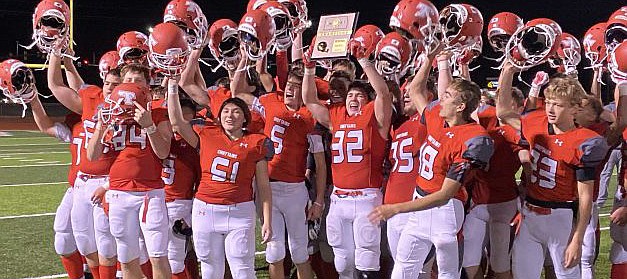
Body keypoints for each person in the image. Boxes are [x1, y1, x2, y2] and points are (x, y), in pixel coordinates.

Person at [370, 78, 494, 279]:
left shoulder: (474, 138)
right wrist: (430, 57)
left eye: (447, 96)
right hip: (419, 206)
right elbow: (416, 90)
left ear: (461, 106)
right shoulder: (437, 116)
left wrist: (397, 208)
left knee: (447, 274)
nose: (441, 100)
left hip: (445, 214)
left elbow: (444, 195)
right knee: (401, 271)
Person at [497, 62, 610, 279]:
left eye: (557, 104)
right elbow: (502, 112)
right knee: (522, 275)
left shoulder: (585, 142)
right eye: (548, 102)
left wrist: (577, 238)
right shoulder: (535, 122)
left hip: (560, 218)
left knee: (567, 276)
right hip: (530, 215)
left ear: (575, 108)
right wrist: (508, 72)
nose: (549, 108)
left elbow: (585, 198)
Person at [167, 76, 273, 279]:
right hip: (206, 210)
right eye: (225, 111)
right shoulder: (207, 134)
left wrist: (266, 220)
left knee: (242, 270)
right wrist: (172, 87)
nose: (230, 115)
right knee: (209, 269)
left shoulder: (256, 143)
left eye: (236, 111)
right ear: (219, 115)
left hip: (239, 211)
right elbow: (177, 123)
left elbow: (263, 186)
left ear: (245, 118)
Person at [302, 43, 393, 278]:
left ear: (367, 99)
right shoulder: (337, 116)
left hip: (366, 198)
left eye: (359, 95)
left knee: (367, 259)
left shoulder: (376, 118)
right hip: (339, 198)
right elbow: (310, 101)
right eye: (350, 94)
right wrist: (309, 69)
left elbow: (383, 93)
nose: (353, 98)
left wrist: (364, 61)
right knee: (342, 262)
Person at [232, 61, 327, 278]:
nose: (290, 90)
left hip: (294, 190)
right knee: (274, 251)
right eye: (289, 85)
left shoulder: (310, 116)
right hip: (267, 188)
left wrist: (319, 200)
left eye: (296, 85)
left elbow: (320, 164)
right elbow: (238, 93)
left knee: (299, 251)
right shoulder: (270, 102)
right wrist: (244, 60)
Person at [87, 64, 173, 279]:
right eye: (129, 80)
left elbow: (163, 152)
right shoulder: (112, 114)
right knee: (126, 258)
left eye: (138, 80)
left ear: (147, 85)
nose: (133, 85)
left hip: (149, 191)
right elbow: (92, 155)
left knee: (158, 256)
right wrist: (100, 126)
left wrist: (149, 126)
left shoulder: (160, 111)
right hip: (119, 191)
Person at [47, 51, 121, 279]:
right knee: (85, 240)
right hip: (83, 181)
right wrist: (57, 55)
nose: (109, 87)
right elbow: (58, 85)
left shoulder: (130, 106)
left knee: (109, 244)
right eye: (107, 82)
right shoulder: (92, 98)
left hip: (110, 182)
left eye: (114, 84)